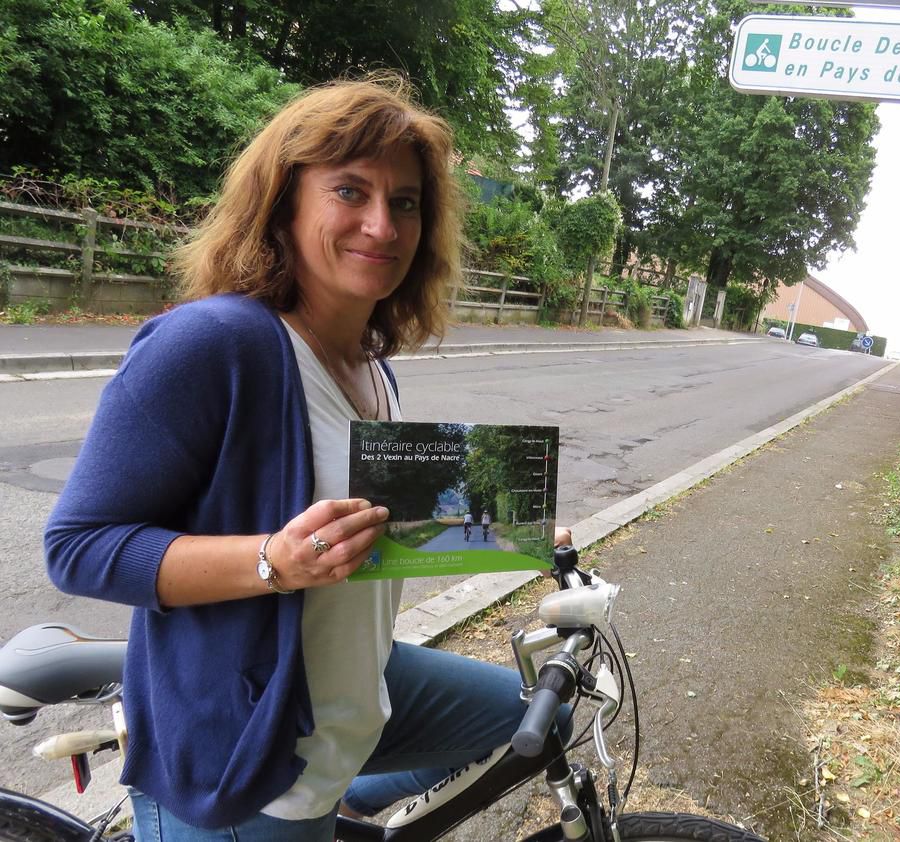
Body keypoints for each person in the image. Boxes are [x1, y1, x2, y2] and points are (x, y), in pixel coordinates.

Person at [44, 77, 570, 840]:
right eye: (350, 191)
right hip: (252, 762)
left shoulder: (372, 366)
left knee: (523, 714)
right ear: (284, 205)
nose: (381, 225)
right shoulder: (214, 345)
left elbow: (368, 524)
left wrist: (517, 526)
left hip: (353, 691)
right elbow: (78, 547)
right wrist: (272, 561)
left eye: (406, 202)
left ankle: (359, 805)